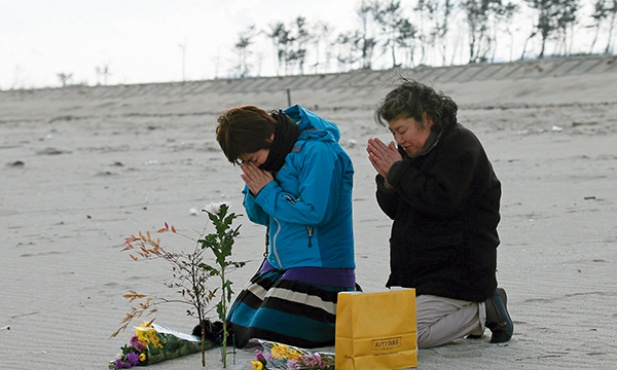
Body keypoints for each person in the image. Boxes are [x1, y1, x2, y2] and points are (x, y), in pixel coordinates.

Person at [366, 78, 513, 348]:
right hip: (428, 275)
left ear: (427, 118)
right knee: (379, 327)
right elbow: (397, 210)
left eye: (402, 130)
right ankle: (470, 311)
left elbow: (443, 202)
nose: (399, 140)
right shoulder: (415, 150)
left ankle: (484, 310)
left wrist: (399, 173)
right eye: (393, 132)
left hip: (460, 272)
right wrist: (388, 181)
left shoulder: (461, 146)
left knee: (405, 337)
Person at [211, 104, 357, 348]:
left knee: (270, 331)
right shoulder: (275, 157)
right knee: (235, 325)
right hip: (280, 264)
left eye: (253, 159)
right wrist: (254, 188)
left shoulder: (318, 151)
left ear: (270, 136)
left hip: (321, 267)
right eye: (245, 163)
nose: (252, 165)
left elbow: (315, 212)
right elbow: (259, 216)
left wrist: (268, 191)